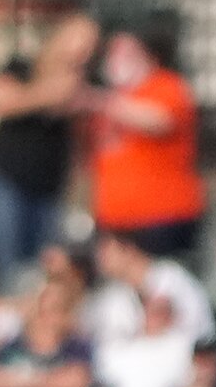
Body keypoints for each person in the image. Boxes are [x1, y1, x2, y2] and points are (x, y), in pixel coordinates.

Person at [0, 10, 96, 277]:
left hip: (49, 186)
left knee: (40, 265)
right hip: (8, 179)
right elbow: (3, 102)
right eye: (80, 40)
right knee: (6, 259)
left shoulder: (84, 81)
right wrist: (49, 93)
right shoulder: (23, 66)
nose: (84, 50)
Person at [81, 20, 203, 261]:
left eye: (127, 51)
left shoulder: (167, 86)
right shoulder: (111, 97)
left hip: (161, 218)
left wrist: (102, 102)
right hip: (114, 219)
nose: (117, 59)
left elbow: (159, 121)